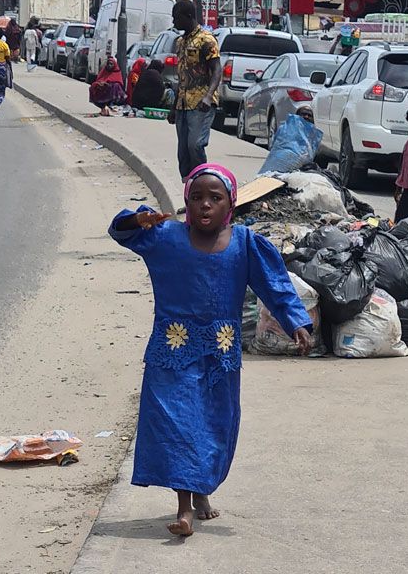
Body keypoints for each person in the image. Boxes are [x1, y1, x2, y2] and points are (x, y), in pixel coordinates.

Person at [108, 163, 312, 537]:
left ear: (230, 204)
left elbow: (276, 285)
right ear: (187, 201)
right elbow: (120, 231)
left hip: (220, 355)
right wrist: (137, 219)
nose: (204, 205)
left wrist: (296, 321)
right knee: (179, 423)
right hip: (172, 352)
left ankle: (202, 492)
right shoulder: (165, 237)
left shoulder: (245, 243)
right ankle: (183, 509)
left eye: (214, 198)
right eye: (197, 197)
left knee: (214, 424)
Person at [168, 0, 222, 180]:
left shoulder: (206, 40)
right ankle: (190, 193)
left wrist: (208, 96)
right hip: (183, 103)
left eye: (176, 18)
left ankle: (203, 184)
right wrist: (174, 107)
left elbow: (217, 70)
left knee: (195, 146)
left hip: (201, 104)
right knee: (183, 151)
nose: (174, 22)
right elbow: (181, 77)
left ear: (188, 16)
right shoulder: (180, 42)